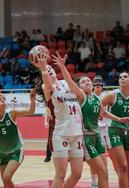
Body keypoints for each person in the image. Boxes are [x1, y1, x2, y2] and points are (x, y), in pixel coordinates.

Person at [52, 52, 129, 188]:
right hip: (87, 140)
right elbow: (70, 82)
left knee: (104, 172)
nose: (87, 82)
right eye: (83, 82)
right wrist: (63, 67)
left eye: (88, 80)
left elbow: (103, 112)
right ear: (80, 87)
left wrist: (120, 119)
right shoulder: (82, 96)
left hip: (97, 138)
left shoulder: (96, 98)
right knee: (100, 171)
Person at [35, 51, 84, 188]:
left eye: (51, 69)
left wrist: (62, 66)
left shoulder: (66, 83)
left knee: (77, 173)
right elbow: (48, 85)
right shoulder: (47, 87)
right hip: (60, 133)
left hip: (77, 132)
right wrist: (43, 67)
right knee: (61, 174)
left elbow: (75, 87)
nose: (49, 71)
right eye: (47, 70)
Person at [0, 89, 36, 188]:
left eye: (4, 99)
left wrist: (32, 100)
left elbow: (31, 111)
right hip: (1, 154)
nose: (4, 101)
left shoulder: (12, 114)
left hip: (16, 151)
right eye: (1, 100)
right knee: (5, 182)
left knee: (6, 177)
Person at [91, 75, 109, 187]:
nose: (97, 87)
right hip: (93, 130)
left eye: (99, 85)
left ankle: (103, 180)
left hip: (104, 130)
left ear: (102, 87)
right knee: (93, 158)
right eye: (96, 85)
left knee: (103, 159)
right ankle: (93, 182)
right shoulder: (90, 97)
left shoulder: (106, 97)